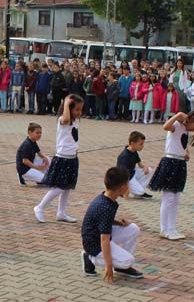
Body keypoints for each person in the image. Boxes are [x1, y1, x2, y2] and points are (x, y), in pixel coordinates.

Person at [149, 109, 194, 241]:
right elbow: (165, 127)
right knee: (169, 197)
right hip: (170, 162)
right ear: (192, 118)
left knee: (175, 198)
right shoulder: (177, 125)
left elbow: (180, 143)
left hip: (180, 163)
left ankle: (172, 228)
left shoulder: (185, 129)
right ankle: (164, 229)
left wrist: (185, 152)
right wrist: (178, 116)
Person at [80, 166, 143, 281]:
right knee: (128, 260)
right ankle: (90, 257)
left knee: (133, 228)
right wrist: (108, 266)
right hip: (94, 243)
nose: (129, 187)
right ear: (122, 187)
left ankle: (122, 268)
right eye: (128, 184)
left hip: (96, 235)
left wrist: (119, 223)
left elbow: (103, 221)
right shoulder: (106, 207)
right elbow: (104, 240)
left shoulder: (107, 197)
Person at [34, 95, 84, 224]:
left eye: (80, 109)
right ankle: (40, 207)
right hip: (62, 158)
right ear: (68, 108)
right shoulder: (63, 119)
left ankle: (61, 213)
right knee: (60, 187)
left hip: (72, 158)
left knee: (67, 187)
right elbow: (66, 118)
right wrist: (66, 102)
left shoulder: (75, 121)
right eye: (77, 109)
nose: (79, 112)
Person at [116, 131, 153, 199]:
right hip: (125, 178)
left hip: (132, 173)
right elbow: (123, 175)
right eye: (140, 144)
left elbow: (140, 165)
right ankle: (135, 191)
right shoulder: (124, 156)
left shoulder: (134, 151)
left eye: (143, 144)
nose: (142, 146)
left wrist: (145, 167)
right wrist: (125, 192)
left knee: (149, 170)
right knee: (140, 192)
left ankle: (138, 191)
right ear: (132, 144)